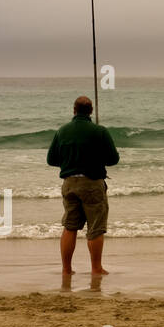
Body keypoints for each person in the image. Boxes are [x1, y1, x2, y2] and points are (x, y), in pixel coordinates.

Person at [47, 96, 119, 275]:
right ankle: (96, 268)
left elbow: (51, 159)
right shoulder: (100, 131)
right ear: (91, 111)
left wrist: (70, 163)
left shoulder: (62, 131)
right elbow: (113, 159)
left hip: (69, 183)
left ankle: (66, 269)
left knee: (70, 226)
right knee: (95, 227)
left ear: (74, 110)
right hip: (92, 183)